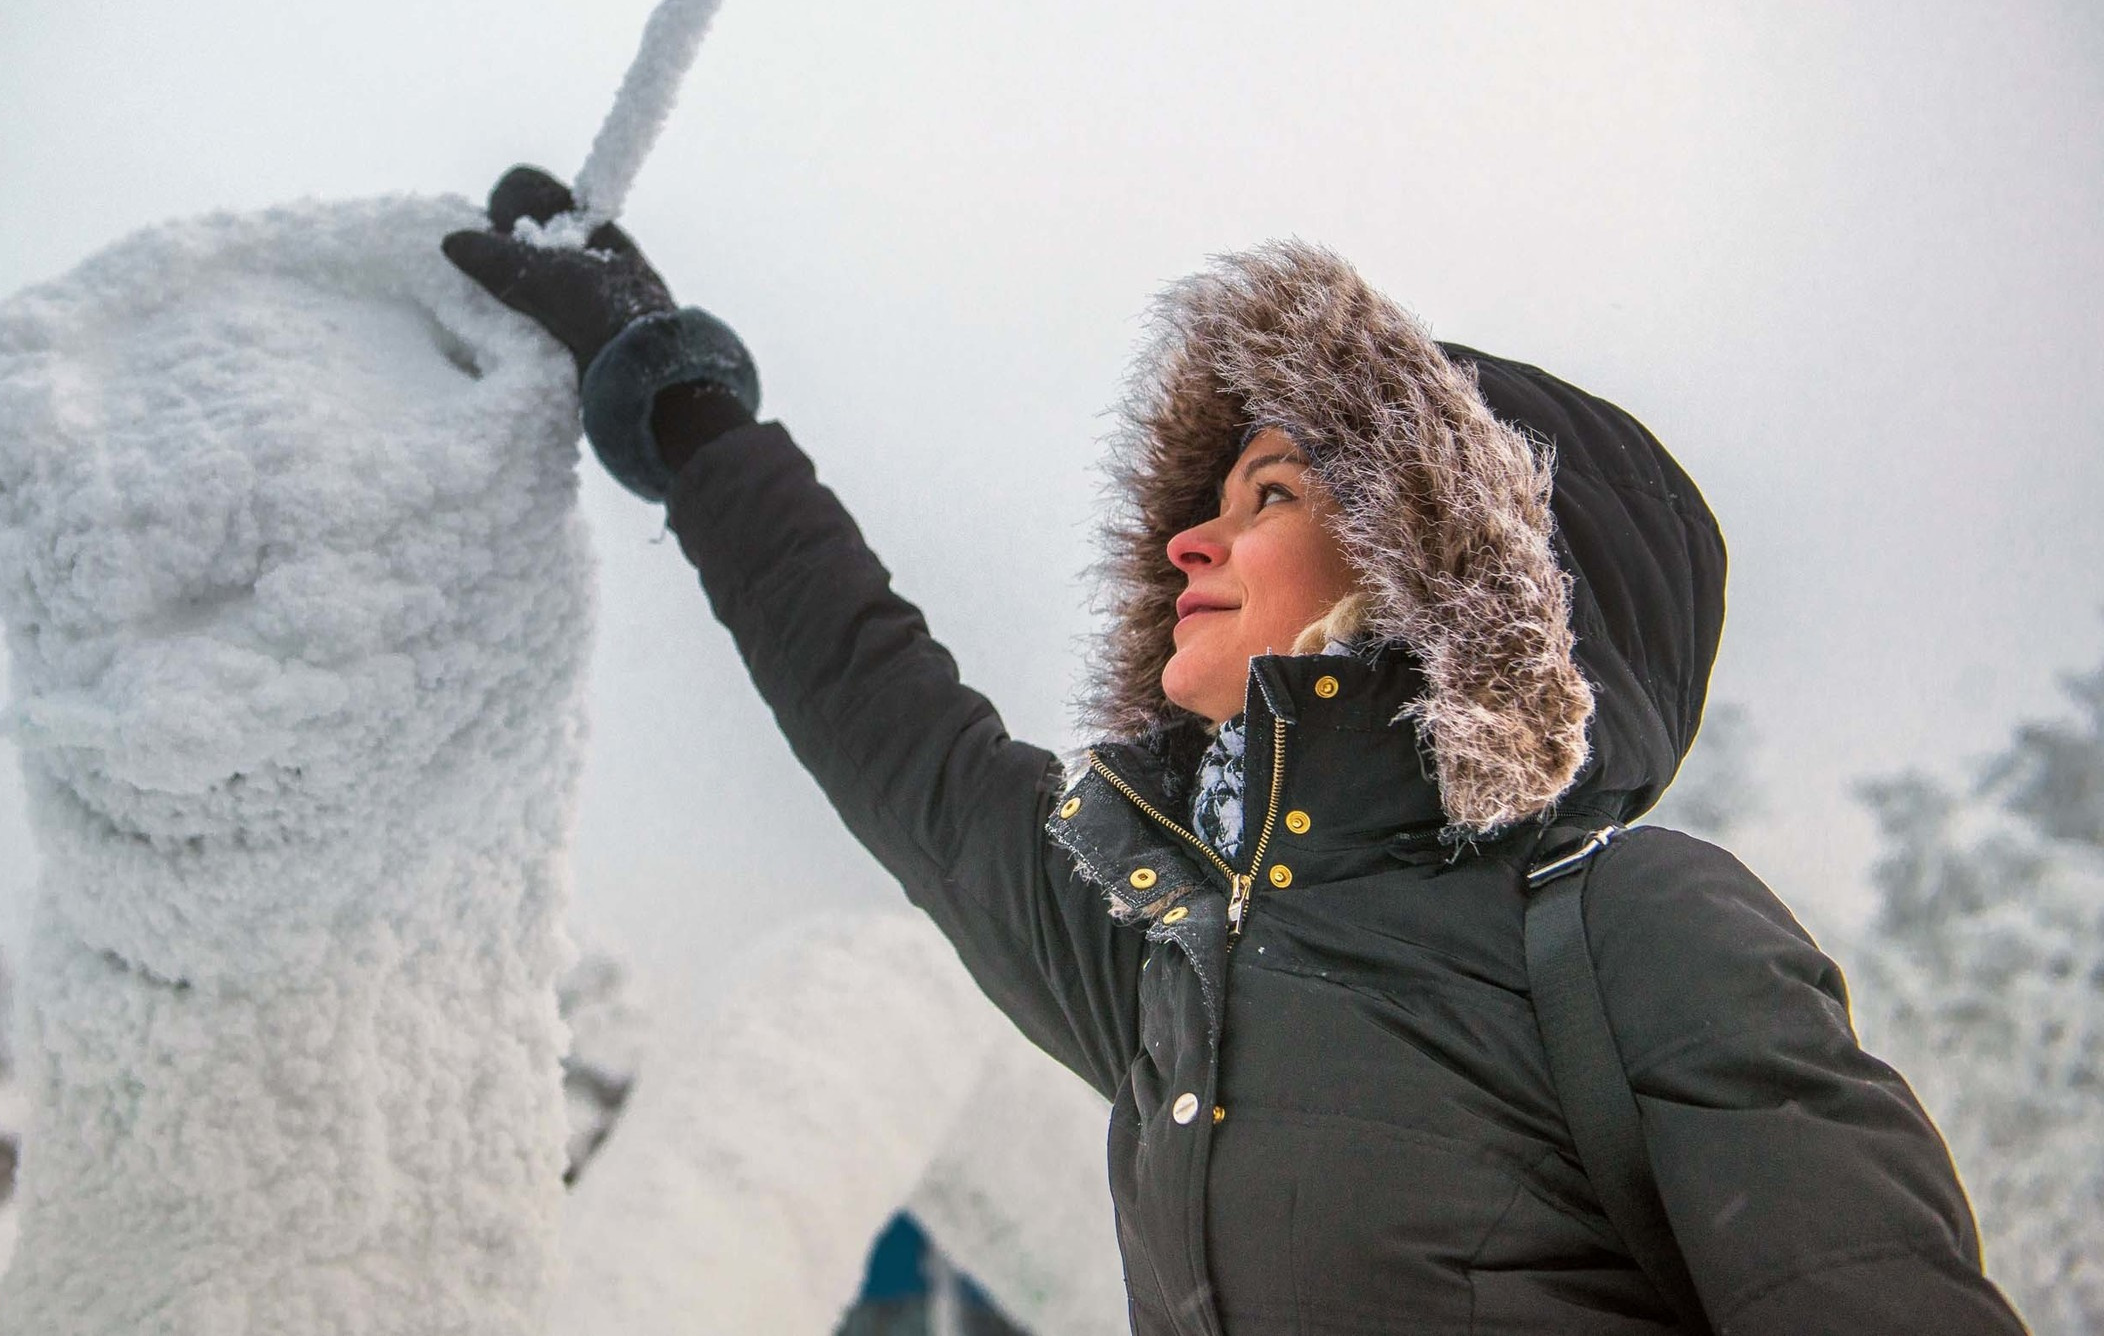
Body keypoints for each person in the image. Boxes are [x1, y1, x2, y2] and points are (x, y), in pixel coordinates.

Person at [443, 168, 2025, 1335]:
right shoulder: (1173, 982)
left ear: (1449, 575)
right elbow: (889, 722)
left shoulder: (1631, 929)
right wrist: (689, 416)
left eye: (1272, 495)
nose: (1193, 537)